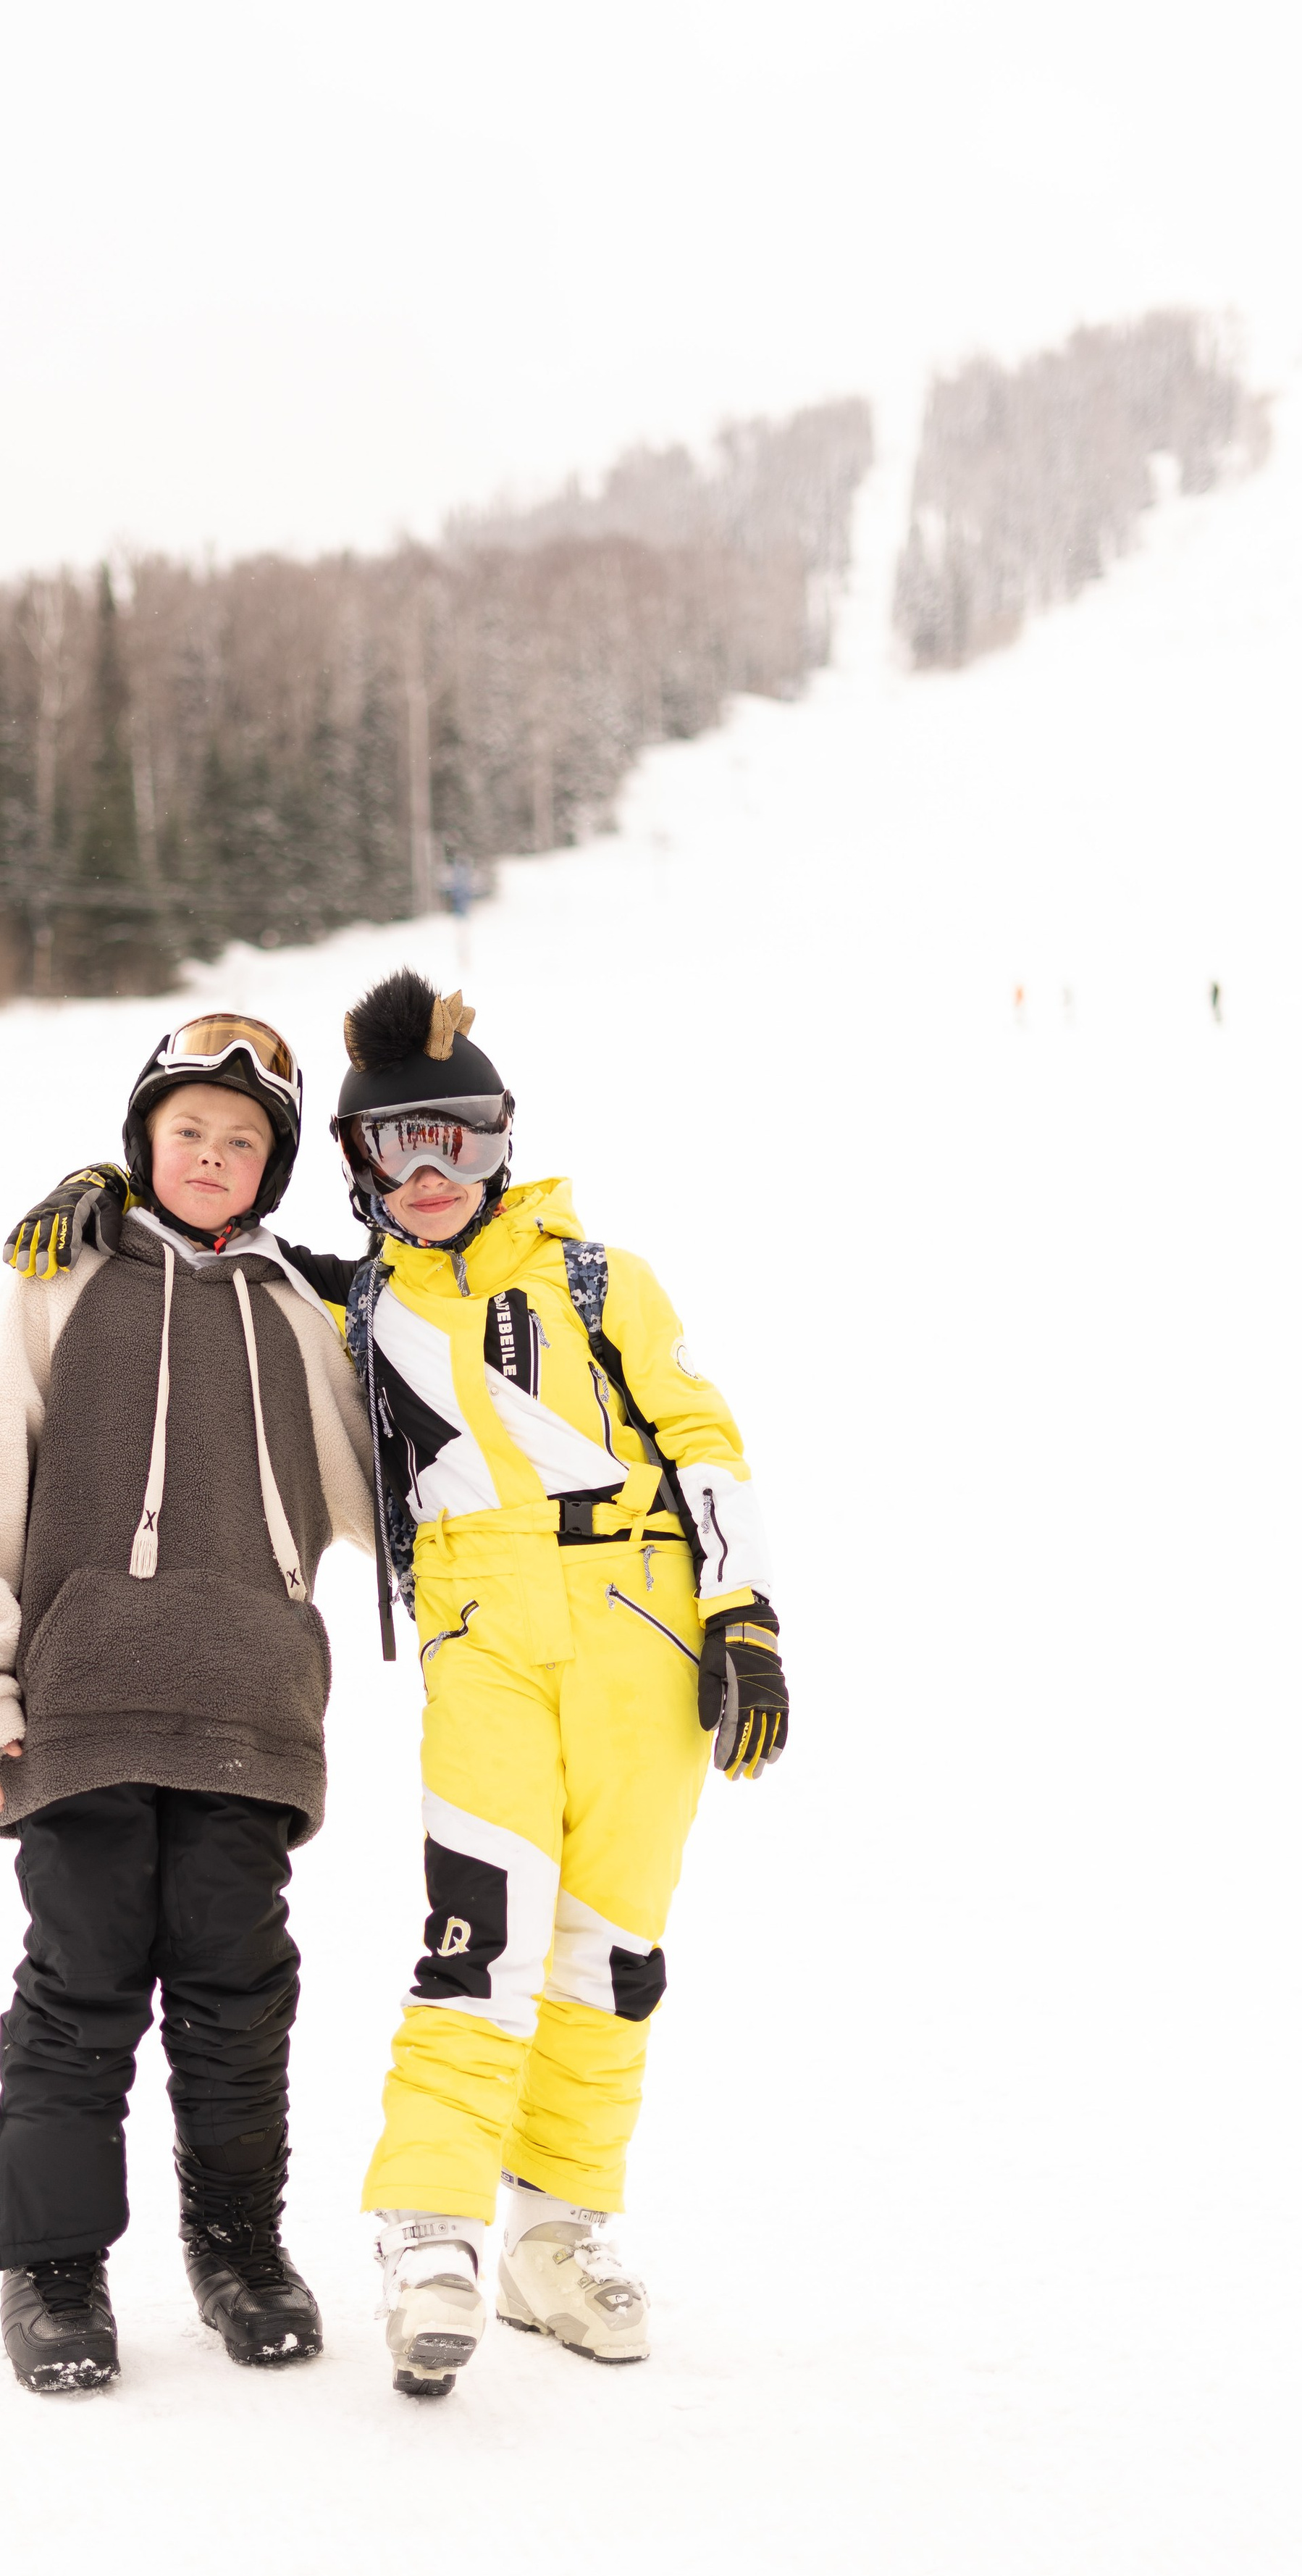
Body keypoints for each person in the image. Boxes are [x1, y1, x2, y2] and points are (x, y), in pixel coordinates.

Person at [319, 969, 790, 2396]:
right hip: (487, 1640)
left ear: (497, 1142)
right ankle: (429, 2230)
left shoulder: (598, 1279)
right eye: (388, 1147)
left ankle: (554, 2235)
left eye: (449, 1140)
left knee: (614, 1954)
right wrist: (113, 1179)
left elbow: (697, 1427)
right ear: (354, 1166)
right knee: (478, 1937)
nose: (422, 1174)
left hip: (642, 1632)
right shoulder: (347, 1308)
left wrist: (742, 1611)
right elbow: (200, 1253)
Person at [0, 1014, 372, 2393]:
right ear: (141, 1142)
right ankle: (54, 2269)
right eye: (187, 1133)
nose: (212, 1157)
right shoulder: (60, 1280)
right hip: (86, 1702)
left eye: (242, 1142)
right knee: (83, 1979)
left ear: (274, 1168)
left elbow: (381, 1494)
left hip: (249, 1702)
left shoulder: (300, 1310)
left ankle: (238, 2246)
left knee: (239, 1986)